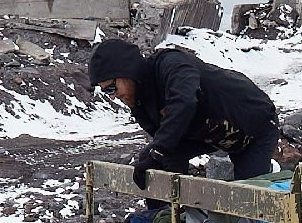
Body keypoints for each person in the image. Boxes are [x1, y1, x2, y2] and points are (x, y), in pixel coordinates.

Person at [86, 38, 280, 186]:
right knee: (154, 163)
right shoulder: (140, 105)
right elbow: (168, 144)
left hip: (256, 121)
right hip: (212, 133)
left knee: (251, 198)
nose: (113, 97)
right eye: (106, 92)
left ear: (127, 72)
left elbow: (185, 102)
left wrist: (159, 150)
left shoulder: (171, 64)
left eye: (112, 88)